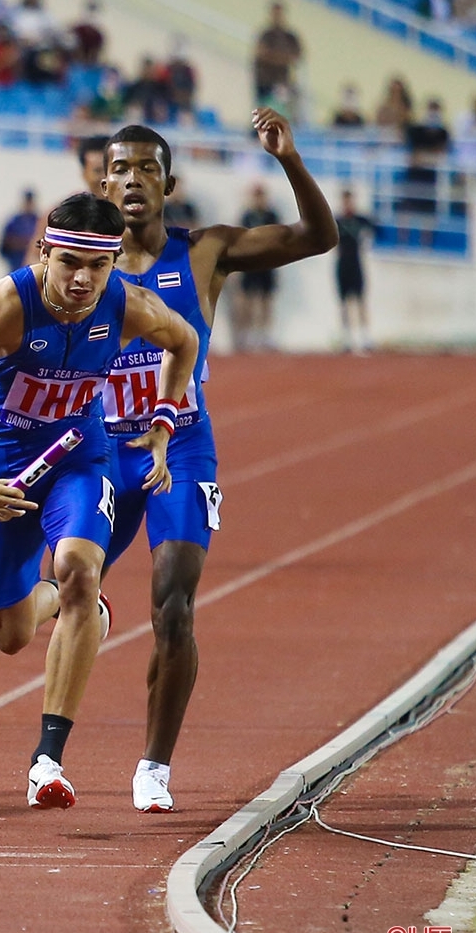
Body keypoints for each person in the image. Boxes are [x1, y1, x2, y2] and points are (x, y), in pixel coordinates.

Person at [0, 192, 198, 810]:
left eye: (98, 265)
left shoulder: (128, 305)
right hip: (4, 475)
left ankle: (47, 760)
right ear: (44, 253)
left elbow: (187, 342)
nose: (83, 279)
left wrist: (165, 423)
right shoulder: (6, 307)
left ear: (114, 263)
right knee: (11, 634)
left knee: (77, 570)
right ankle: (71, 608)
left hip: (80, 461)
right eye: (69, 263)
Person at [100, 112, 336, 812]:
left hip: (182, 445)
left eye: (146, 167)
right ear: (101, 182)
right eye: (119, 168)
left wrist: (289, 159)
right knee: (42, 596)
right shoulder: (78, 260)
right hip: (102, 449)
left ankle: (153, 765)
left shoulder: (205, 251)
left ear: (168, 183)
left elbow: (318, 237)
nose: (132, 179)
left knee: (172, 604)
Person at [234, 184, 281, 352]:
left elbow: (278, 239)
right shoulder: (247, 216)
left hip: (267, 262)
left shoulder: (271, 215)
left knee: (266, 300)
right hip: (250, 262)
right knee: (248, 300)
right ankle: (246, 335)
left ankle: (265, 335)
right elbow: (239, 239)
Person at [334, 189, 376, 354]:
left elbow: (376, 230)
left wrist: (368, 242)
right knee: (344, 302)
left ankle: (365, 336)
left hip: (356, 262)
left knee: (360, 300)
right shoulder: (337, 220)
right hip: (343, 262)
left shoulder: (361, 219)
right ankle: (347, 337)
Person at [0, 188, 40, 271]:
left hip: (34, 264)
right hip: (16, 261)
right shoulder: (14, 221)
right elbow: (5, 243)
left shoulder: (38, 221)